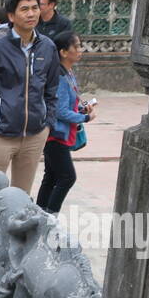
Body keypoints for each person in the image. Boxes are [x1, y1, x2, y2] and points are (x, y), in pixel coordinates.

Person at [0, 0, 60, 275]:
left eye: (35, 8)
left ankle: (12, 250)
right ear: (11, 15)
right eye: (24, 9)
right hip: (1, 135)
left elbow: (52, 90)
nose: (31, 13)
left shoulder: (47, 48)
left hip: (34, 136)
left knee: (21, 197)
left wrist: (47, 123)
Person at [36, 31, 95, 213]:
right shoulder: (60, 77)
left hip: (60, 133)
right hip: (56, 134)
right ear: (63, 52)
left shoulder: (68, 73)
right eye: (75, 46)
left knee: (52, 176)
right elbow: (60, 111)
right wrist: (84, 118)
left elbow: (66, 105)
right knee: (67, 177)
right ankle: (50, 215)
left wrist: (81, 109)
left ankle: (40, 213)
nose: (79, 50)